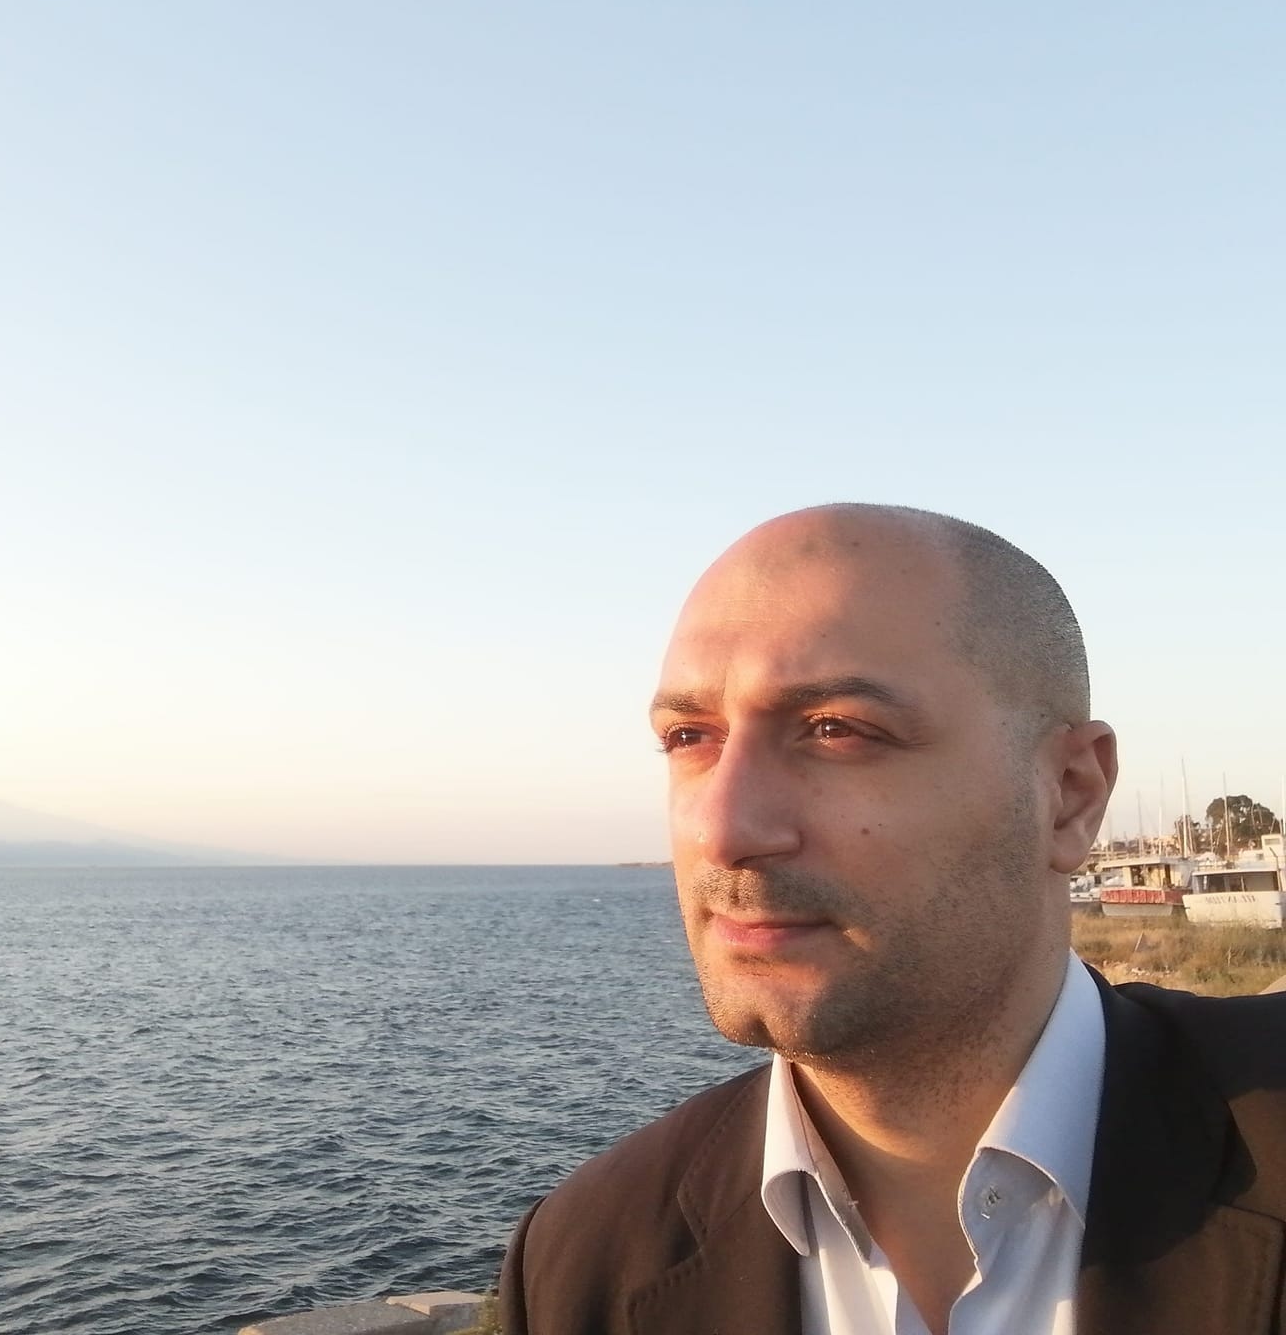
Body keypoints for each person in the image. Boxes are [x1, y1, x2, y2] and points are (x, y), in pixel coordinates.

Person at [498, 504, 1286, 1335]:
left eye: (836, 730)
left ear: (1070, 795)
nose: (722, 832)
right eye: (691, 736)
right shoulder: (586, 1257)